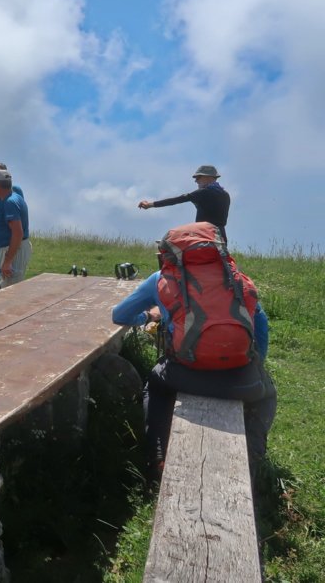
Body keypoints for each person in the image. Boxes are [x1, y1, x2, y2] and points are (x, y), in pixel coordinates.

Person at [111, 229, 275, 478]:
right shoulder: (237, 279)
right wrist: (254, 365)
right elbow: (260, 329)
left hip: (184, 376)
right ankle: (253, 455)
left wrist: (148, 316)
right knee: (267, 394)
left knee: (155, 385)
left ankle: (157, 459)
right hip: (242, 381)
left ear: (169, 254)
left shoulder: (160, 279)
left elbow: (119, 315)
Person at [138, 164, 231, 242]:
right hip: (221, 237)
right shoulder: (225, 195)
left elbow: (177, 200)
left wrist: (150, 205)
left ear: (209, 177)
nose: (196, 180)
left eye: (198, 177)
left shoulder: (203, 192)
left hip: (205, 236)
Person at [0, 169, 31, 287]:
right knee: (11, 286)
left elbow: (17, 233)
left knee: (10, 289)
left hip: (12, 250)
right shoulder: (14, 197)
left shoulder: (10, 203)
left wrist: (8, 261)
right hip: (15, 249)